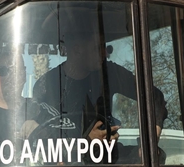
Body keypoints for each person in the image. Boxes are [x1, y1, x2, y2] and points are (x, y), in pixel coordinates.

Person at [32, 13, 137, 141]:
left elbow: (151, 96)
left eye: (105, 47)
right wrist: (85, 140)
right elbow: (45, 134)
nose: (105, 53)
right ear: (77, 50)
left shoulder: (110, 73)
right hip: (69, 153)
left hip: (109, 152)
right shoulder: (46, 85)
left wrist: (152, 136)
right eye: (98, 48)